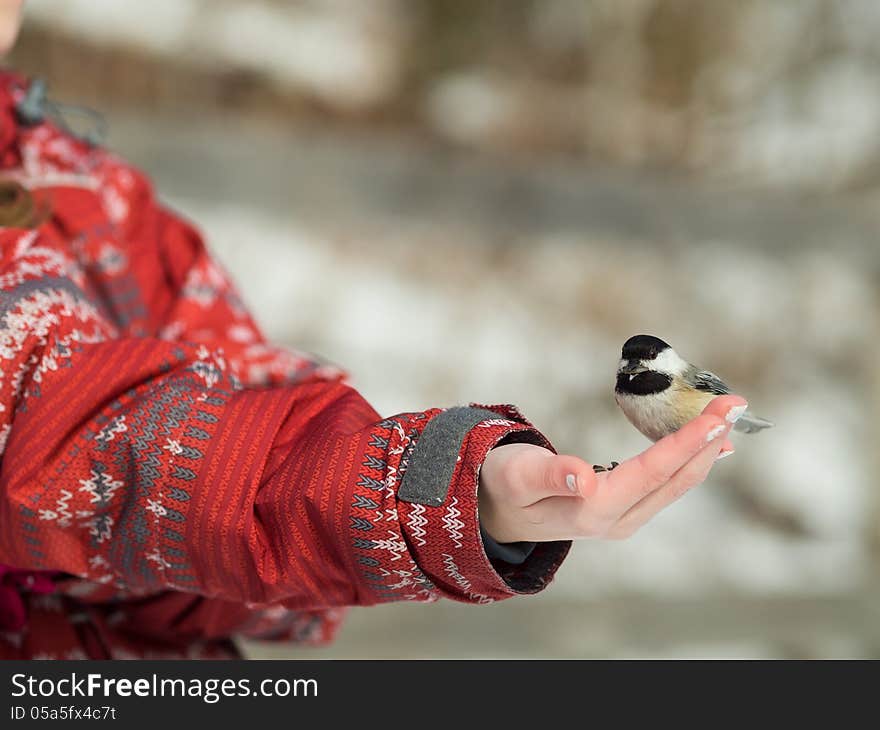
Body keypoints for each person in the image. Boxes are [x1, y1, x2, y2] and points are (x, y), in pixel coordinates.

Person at [0, 2, 742, 659]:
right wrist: (412, 498)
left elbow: (243, 416)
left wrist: (468, 503)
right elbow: (69, 427)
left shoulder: (89, 188)